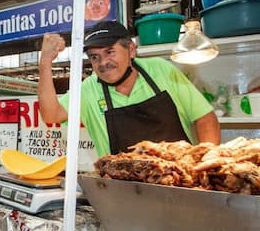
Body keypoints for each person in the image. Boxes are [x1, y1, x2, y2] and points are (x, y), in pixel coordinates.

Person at [38, 21, 220, 156]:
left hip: (180, 183)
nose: (103, 63)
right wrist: (45, 62)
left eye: (110, 52)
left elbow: (204, 117)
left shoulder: (161, 70)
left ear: (131, 50)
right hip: (124, 190)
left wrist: (206, 162)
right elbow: (50, 114)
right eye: (94, 57)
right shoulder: (88, 90)